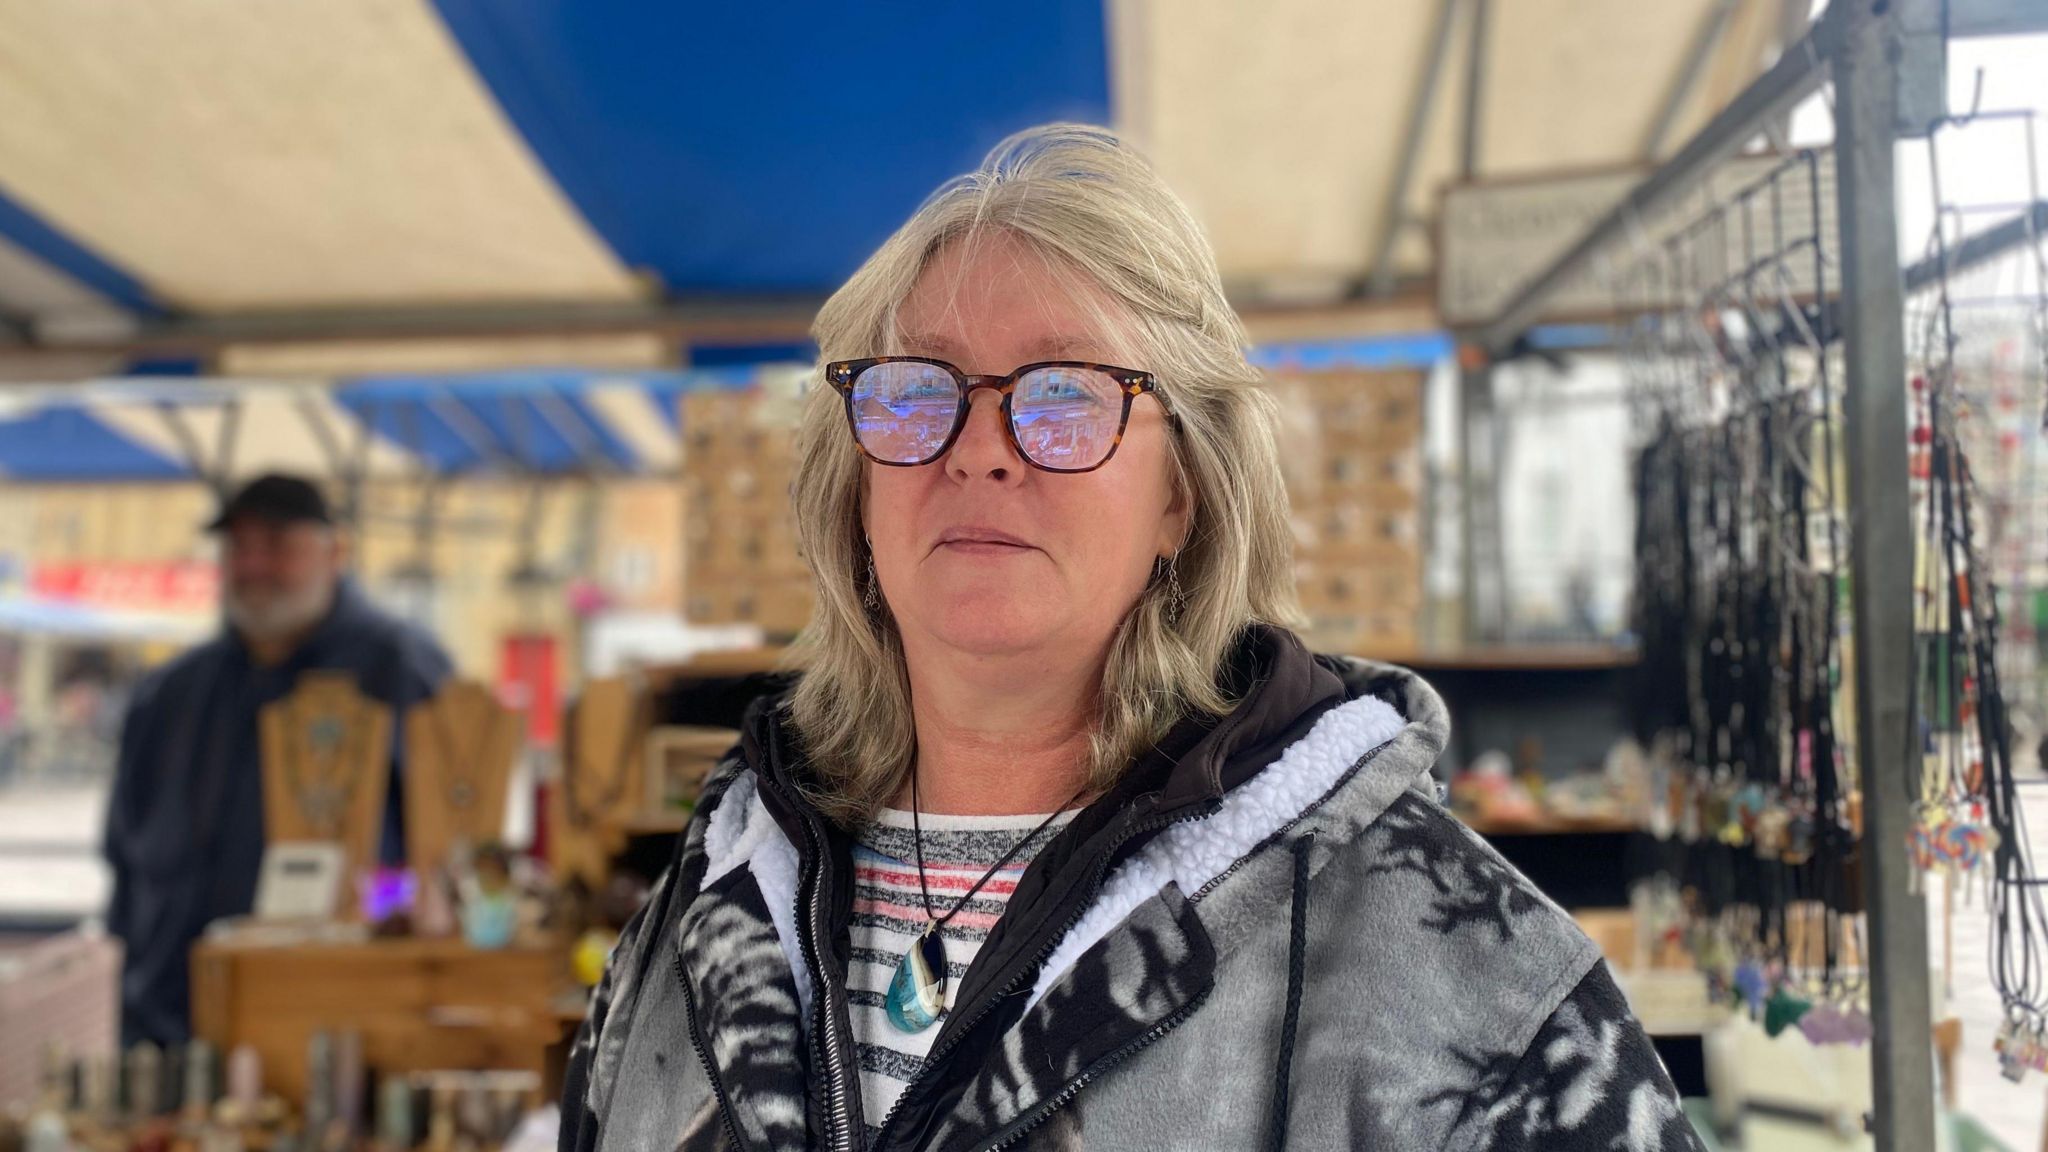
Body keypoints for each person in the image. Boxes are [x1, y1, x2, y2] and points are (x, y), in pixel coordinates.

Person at [560, 125, 1703, 1152]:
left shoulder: (1460, 974)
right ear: (853, 483)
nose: (979, 448)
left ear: (1181, 497)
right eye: (915, 392)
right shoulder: (712, 902)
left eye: (1063, 396)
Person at [103, 473, 453, 1045]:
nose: (255, 566)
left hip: (339, 1020)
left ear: (336, 551)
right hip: (170, 1016)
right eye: (239, 547)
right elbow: (124, 855)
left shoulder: (399, 669)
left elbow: (441, 853)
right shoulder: (173, 693)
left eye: (278, 546)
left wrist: (381, 901)